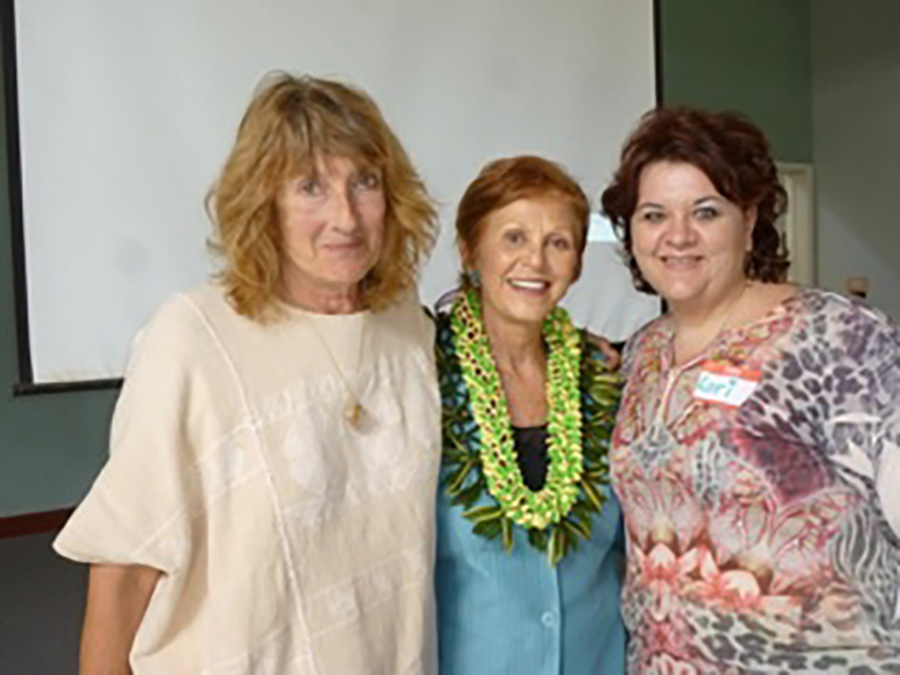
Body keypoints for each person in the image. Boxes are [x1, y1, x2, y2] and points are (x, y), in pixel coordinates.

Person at [54, 73, 442, 674]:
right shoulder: (191, 337)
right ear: (265, 201)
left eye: (364, 182)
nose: (345, 217)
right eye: (310, 186)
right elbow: (126, 571)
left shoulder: (407, 328)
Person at [601, 106, 900, 672]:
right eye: (654, 215)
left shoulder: (838, 338)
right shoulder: (640, 355)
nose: (678, 236)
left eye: (706, 212)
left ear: (751, 218)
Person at [434, 155, 627, 674]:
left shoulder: (606, 379)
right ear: (470, 250)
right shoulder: (422, 375)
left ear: (578, 262)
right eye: (514, 238)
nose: (536, 262)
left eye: (557, 243)